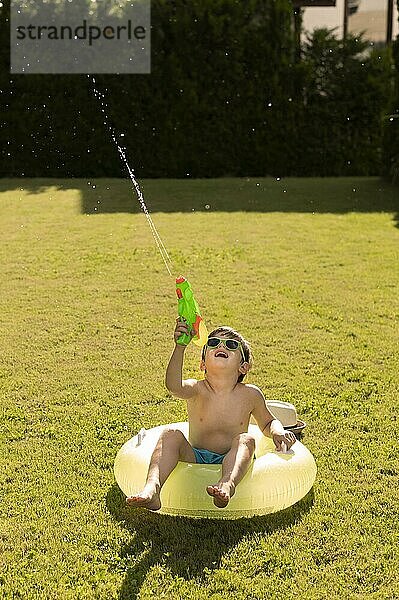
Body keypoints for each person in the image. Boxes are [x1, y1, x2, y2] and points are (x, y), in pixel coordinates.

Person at [126, 320, 296, 511]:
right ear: (202, 364)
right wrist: (180, 347)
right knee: (170, 434)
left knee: (246, 439)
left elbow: (267, 422)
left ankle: (227, 485)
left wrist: (278, 432)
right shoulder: (197, 389)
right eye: (213, 343)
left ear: (243, 367)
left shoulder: (250, 394)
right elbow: (173, 386)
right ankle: (152, 489)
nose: (221, 346)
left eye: (231, 345)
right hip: (196, 455)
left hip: (232, 457)